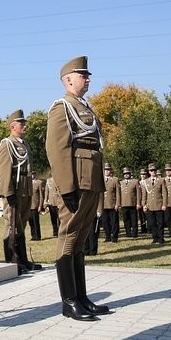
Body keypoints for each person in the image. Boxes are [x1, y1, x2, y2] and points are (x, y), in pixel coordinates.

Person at [45, 56, 108, 321]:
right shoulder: (62, 108)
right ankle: (69, 302)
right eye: (83, 75)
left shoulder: (84, 107)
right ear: (69, 80)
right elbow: (57, 149)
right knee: (69, 237)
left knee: (80, 239)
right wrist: (67, 187)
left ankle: (81, 298)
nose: (88, 78)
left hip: (90, 179)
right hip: (76, 182)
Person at [0, 109, 40, 274]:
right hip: (14, 190)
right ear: (12, 126)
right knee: (11, 225)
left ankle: (23, 260)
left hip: (25, 189)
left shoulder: (24, 144)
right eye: (21, 123)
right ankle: (12, 262)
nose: (24, 125)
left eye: (24, 122)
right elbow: (4, 169)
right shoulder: (7, 143)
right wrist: (9, 193)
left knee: (21, 225)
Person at [141, 163, 167, 244]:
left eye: (154, 170)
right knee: (152, 223)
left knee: (160, 223)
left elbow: (164, 193)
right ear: (149, 172)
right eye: (151, 170)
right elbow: (144, 194)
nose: (153, 172)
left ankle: (161, 238)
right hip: (150, 206)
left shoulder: (161, 180)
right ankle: (155, 237)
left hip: (159, 205)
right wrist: (144, 205)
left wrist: (164, 204)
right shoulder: (146, 181)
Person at [100, 163, 120, 242]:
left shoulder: (115, 180)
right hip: (103, 205)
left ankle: (114, 237)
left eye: (108, 170)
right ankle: (107, 236)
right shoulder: (100, 180)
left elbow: (118, 193)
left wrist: (117, 204)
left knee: (114, 222)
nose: (107, 171)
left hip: (112, 204)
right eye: (105, 170)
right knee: (105, 222)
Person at [119, 167, 141, 237]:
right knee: (126, 220)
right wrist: (119, 204)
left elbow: (138, 193)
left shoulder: (135, 181)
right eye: (125, 174)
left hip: (132, 204)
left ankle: (135, 233)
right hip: (124, 204)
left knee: (134, 219)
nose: (126, 175)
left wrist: (138, 203)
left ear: (130, 174)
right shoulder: (121, 182)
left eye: (127, 173)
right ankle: (128, 233)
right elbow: (119, 194)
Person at [29, 172, 45, 241]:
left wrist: (40, 206)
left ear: (35, 175)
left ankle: (38, 236)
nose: (32, 175)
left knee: (36, 222)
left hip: (35, 205)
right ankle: (33, 235)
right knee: (31, 222)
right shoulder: (28, 183)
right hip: (29, 205)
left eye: (33, 174)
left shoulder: (39, 183)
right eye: (31, 174)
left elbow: (41, 195)